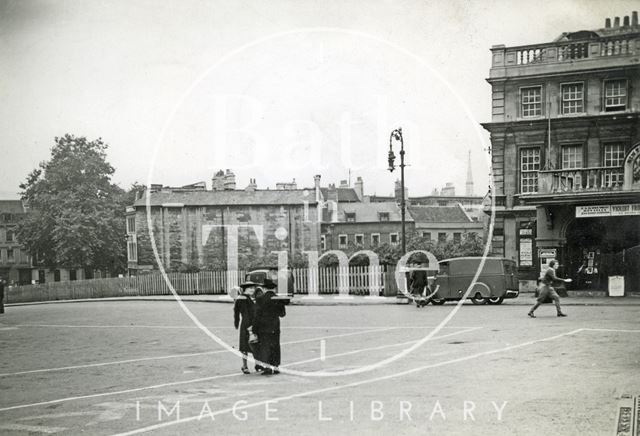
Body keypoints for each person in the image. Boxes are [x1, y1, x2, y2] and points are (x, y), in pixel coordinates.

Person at [253, 287, 286, 375]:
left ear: (264, 289)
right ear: (274, 289)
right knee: (275, 346)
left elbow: (257, 315)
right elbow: (282, 314)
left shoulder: (260, 299)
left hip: (263, 327)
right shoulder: (278, 299)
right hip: (275, 326)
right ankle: (276, 367)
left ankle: (267, 367)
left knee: (265, 347)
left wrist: (254, 328)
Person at [233, 287, 256, 374]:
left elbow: (236, 312)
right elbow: (237, 311)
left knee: (246, 345)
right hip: (249, 323)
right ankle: (247, 365)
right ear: (245, 290)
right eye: (250, 289)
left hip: (246, 324)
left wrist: (237, 322)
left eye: (253, 289)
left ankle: (246, 365)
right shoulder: (245, 299)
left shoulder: (245, 298)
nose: (252, 290)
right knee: (252, 344)